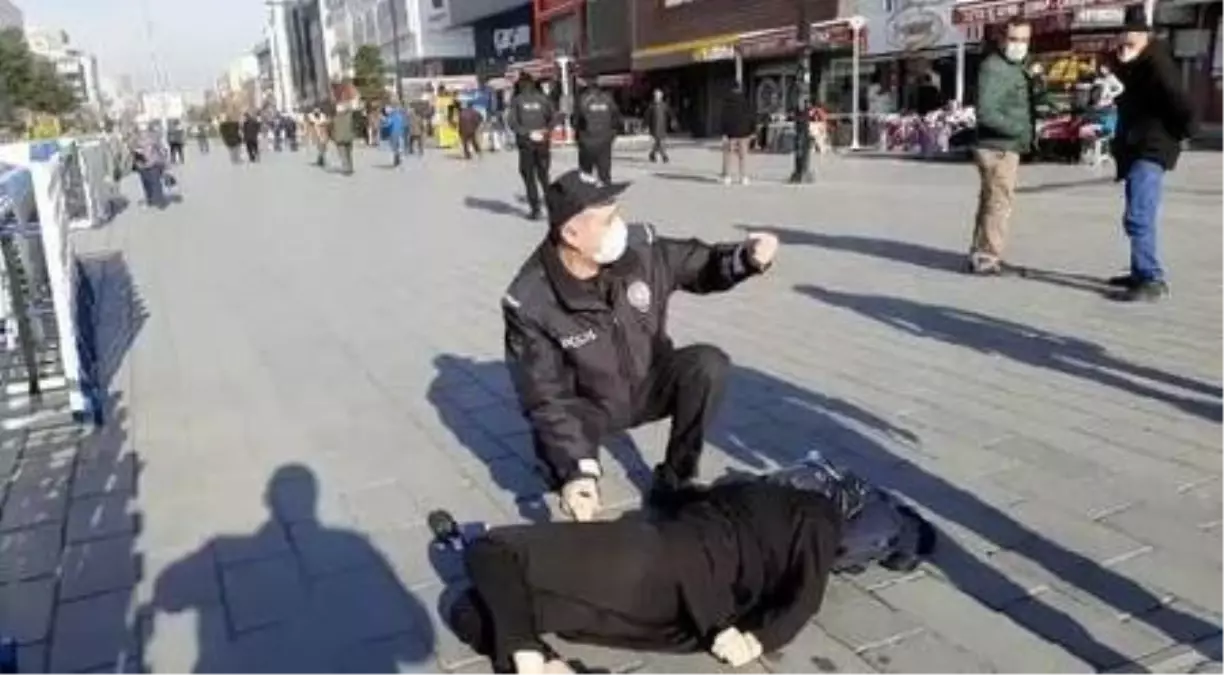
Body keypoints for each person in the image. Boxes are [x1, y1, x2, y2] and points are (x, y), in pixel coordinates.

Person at [502, 170, 779, 522]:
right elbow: (545, 397)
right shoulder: (530, 301)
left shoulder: (641, 250)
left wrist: (747, 258)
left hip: (649, 381)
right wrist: (578, 473)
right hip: (589, 405)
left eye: (618, 213)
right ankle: (574, 478)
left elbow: (699, 264)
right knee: (571, 470)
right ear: (571, 234)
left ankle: (676, 479)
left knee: (708, 364)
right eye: (608, 220)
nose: (620, 226)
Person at [450, 478, 842, 675]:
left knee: (493, 553)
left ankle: (532, 658)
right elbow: (805, 599)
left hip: (657, 559)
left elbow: (492, 550)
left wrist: (526, 653)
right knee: (473, 610)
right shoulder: (814, 520)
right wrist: (754, 641)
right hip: (687, 624)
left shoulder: (806, 509)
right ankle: (549, 665)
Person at [1110, 7, 1195, 301]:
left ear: (1145, 36)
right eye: (1123, 38)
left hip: (1152, 147)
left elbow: (1179, 101)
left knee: (1138, 215)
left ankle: (1151, 278)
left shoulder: (1157, 64)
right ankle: (1139, 271)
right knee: (1137, 211)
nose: (1125, 44)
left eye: (1131, 38)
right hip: (1139, 145)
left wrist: (1185, 131)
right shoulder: (1140, 62)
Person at [966, 18, 1034, 276]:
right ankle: (987, 256)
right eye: (1014, 39)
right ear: (1001, 39)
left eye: (1025, 40)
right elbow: (986, 112)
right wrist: (1018, 130)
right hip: (998, 146)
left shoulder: (1015, 66)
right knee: (998, 201)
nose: (1019, 45)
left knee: (991, 199)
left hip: (1004, 144)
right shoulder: (995, 68)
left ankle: (981, 252)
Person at [506, 74, 558, 221]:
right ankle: (553, 207)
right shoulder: (544, 99)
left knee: (528, 176)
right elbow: (554, 117)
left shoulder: (517, 100)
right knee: (544, 176)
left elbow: (512, 122)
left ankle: (536, 210)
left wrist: (527, 133)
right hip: (543, 143)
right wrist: (546, 130)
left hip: (526, 144)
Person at [574, 83, 621, 184]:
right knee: (604, 169)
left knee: (586, 172)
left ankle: (588, 195)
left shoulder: (582, 99)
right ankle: (606, 192)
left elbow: (576, 121)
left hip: (587, 140)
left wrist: (578, 138)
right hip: (604, 139)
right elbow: (616, 119)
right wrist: (611, 135)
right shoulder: (608, 100)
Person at [719, 84, 755, 185]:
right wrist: (752, 130)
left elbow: (723, 118)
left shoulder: (727, 102)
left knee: (729, 154)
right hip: (744, 131)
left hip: (731, 132)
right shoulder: (745, 101)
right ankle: (743, 177)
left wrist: (723, 132)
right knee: (743, 155)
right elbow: (751, 116)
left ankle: (727, 176)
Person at [129, 126, 169, 208]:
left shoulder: (154, 137)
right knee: (146, 183)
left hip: (153, 163)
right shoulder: (135, 139)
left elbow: (160, 148)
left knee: (155, 182)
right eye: (141, 130)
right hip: (142, 164)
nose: (143, 132)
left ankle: (159, 201)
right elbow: (131, 149)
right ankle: (151, 199)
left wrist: (164, 161)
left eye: (144, 130)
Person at [644, 88, 672, 163]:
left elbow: (669, 114)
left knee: (658, 142)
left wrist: (672, 122)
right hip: (654, 127)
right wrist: (646, 126)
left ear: (661, 97)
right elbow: (647, 117)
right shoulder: (651, 106)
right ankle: (664, 156)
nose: (657, 98)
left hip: (662, 127)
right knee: (659, 142)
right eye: (656, 96)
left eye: (658, 96)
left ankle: (652, 154)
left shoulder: (664, 106)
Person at [331, 100, 357, 175]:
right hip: (348, 136)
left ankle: (346, 168)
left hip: (339, 137)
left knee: (343, 153)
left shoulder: (334, 116)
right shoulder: (349, 114)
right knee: (348, 152)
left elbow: (332, 126)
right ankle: (349, 167)